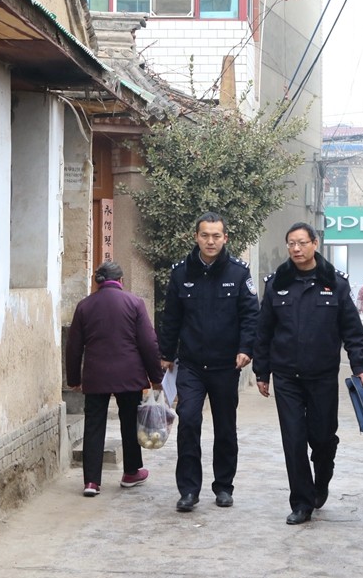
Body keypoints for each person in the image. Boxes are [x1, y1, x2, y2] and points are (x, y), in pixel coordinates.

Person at [253, 223, 363, 525]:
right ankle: (301, 503)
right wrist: (262, 371)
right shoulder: (276, 283)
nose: (296, 248)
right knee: (293, 439)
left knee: (322, 437)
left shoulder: (335, 284)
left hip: (322, 376)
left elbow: (352, 330)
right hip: (286, 376)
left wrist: (360, 366)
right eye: (291, 243)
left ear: (315, 244)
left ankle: (323, 477)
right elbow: (263, 331)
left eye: (302, 243)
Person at [158, 212, 260, 512]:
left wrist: (246, 349)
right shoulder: (181, 273)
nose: (211, 241)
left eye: (216, 236)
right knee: (188, 421)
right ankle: (189, 490)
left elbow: (250, 315)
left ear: (225, 238)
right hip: (191, 364)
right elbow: (171, 317)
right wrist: (166, 355)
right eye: (205, 235)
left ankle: (224, 486)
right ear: (196, 237)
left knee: (225, 427)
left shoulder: (238, 273)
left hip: (226, 365)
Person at [66, 261, 163, 497]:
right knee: (129, 421)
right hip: (129, 374)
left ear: (98, 283)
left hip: (95, 375)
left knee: (94, 424)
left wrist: (73, 379)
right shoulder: (134, 303)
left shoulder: (84, 306)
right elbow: (148, 343)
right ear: (121, 281)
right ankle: (131, 472)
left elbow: (73, 346)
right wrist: (155, 377)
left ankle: (91, 482)